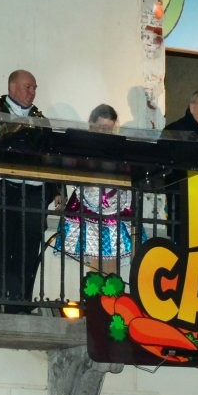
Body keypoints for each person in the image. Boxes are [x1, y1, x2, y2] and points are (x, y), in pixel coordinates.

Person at [0, 69, 53, 313]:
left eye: (34, 88)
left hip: (34, 191)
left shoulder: (41, 121)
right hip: (2, 188)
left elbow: (52, 157)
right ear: (12, 87)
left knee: (29, 248)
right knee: (1, 246)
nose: (33, 92)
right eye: (28, 87)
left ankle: (20, 303)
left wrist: (57, 189)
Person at [56, 104, 134, 275]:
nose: (105, 133)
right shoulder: (81, 145)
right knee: (93, 260)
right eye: (101, 128)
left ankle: (110, 290)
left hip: (115, 205)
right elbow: (66, 169)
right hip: (88, 203)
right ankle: (95, 292)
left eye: (108, 129)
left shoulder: (120, 147)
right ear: (92, 125)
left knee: (112, 261)